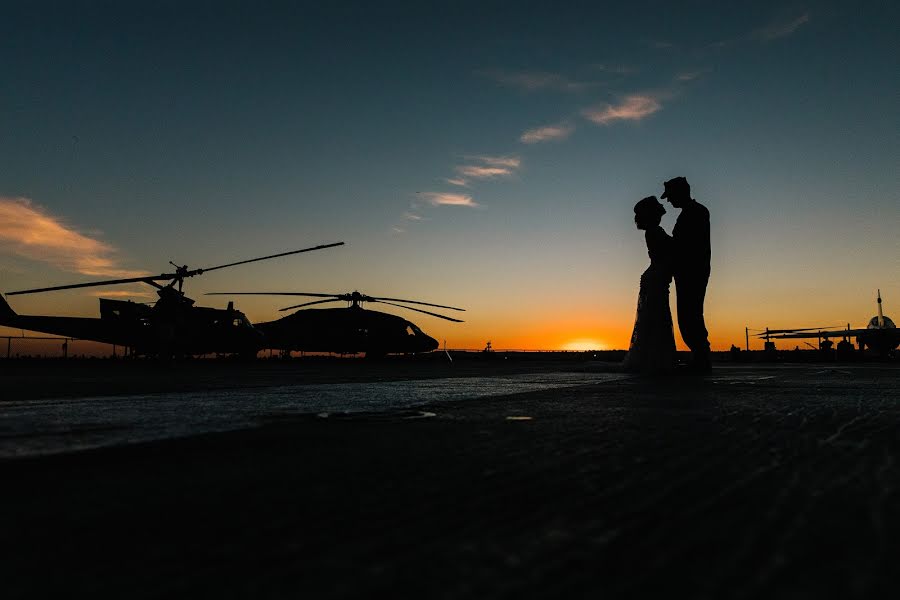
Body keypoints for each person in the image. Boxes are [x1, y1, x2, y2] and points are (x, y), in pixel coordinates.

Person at [661, 176, 711, 373]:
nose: (669, 201)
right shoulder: (691, 213)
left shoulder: (696, 213)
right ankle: (700, 358)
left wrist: (664, 240)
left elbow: (686, 245)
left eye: (671, 196)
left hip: (692, 272)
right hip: (689, 272)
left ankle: (702, 359)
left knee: (691, 316)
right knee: (689, 316)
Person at [623, 196, 677, 374]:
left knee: (655, 317)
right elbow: (669, 252)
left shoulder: (654, 231)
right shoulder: (654, 232)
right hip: (656, 278)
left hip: (656, 277)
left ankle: (654, 358)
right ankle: (656, 359)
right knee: (656, 316)